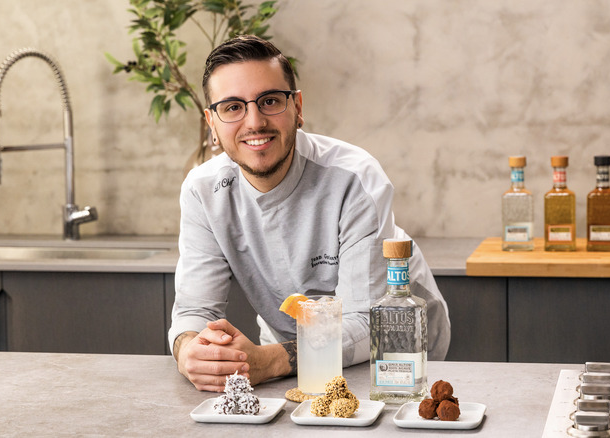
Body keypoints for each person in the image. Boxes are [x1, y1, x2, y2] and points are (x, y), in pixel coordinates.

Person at [169, 35, 451, 392]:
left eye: (270, 101)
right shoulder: (202, 190)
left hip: (394, 355)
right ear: (211, 122)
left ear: (297, 107)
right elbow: (194, 309)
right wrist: (189, 350)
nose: (254, 122)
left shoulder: (355, 178)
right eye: (232, 107)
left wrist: (266, 361)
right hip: (289, 355)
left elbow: (367, 321)